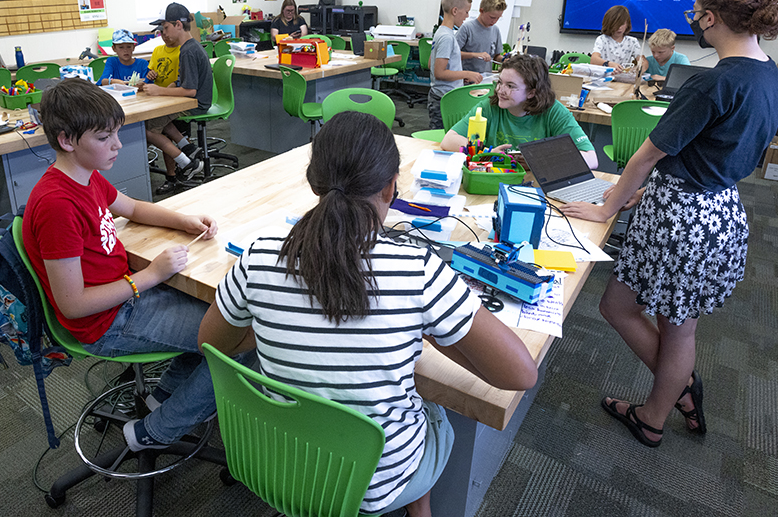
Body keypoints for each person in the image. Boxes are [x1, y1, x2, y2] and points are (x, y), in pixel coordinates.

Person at [198, 111, 537, 517]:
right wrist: (428, 330)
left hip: (280, 457)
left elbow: (210, 342)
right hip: (375, 485)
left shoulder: (258, 256)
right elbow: (519, 375)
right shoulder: (417, 271)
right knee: (432, 408)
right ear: (392, 188)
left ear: (312, 182)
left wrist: (271, 322)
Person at [561, 0, 778, 448]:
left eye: (696, 11)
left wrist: (608, 208)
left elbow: (646, 156)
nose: (693, 18)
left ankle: (654, 415)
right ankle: (678, 385)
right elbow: (715, 152)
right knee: (625, 307)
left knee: (676, 327)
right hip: (715, 206)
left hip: (684, 219)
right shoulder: (772, 75)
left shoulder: (712, 82)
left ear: (710, 18)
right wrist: (656, 190)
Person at [22, 78, 244, 452]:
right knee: (239, 338)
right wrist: (151, 275)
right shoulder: (57, 205)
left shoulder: (84, 177)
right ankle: (155, 431)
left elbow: (133, 208)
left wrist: (183, 219)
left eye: (117, 134)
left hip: (125, 298)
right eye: (105, 137)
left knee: (220, 313)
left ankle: (164, 397)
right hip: (107, 321)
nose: (118, 145)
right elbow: (72, 304)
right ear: (66, 141)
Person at [440, 54, 597, 169]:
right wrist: (487, 153)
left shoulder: (553, 112)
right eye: (500, 82)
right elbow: (449, 140)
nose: (500, 90)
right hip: (495, 178)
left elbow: (591, 158)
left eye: (510, 86)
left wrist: (539, 160)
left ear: (532, 93)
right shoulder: (491, 107)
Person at [145, 2, 211, 195]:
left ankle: (188, 163)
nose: (163, 33)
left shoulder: (188, 51)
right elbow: (182, 82)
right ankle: (188, 148)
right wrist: (164, 88)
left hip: (195, 104)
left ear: (178, 25)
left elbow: (189, 91)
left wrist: (159, 91)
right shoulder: (189, 47)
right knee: (161, 120)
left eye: (166, 28)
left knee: (148, 129)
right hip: (193, 101)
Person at [428, 0, 483, 130]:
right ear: (455, 11)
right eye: (466, 12)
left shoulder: (441, 32)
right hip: (443, 99)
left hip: (442, 96)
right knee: (440, 138)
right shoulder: (447, 37)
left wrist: (458, 77)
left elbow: (430, 64)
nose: (467, 16)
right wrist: (466, 73)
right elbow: (439, 72)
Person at [457, 0, 507, 75]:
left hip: (485, 80)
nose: (494, 21)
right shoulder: (467, 28)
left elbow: (495, 56)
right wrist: (474, 55)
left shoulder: (496, 30)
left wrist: (503, 60)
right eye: (492, 17)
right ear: (481, 11)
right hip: (467, 80)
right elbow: (453, 54)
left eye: (498, 18)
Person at [590, 5, 642, 72]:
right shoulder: (602, 39)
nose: (619, 28)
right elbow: (593, 60)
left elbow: (642, 61)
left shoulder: (632, 41)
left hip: (622, 79)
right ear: (609, 24)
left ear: (627, 24)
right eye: (616, 24)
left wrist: (636, 69)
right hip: (604, 78)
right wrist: (609, 64)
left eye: (622, 24)